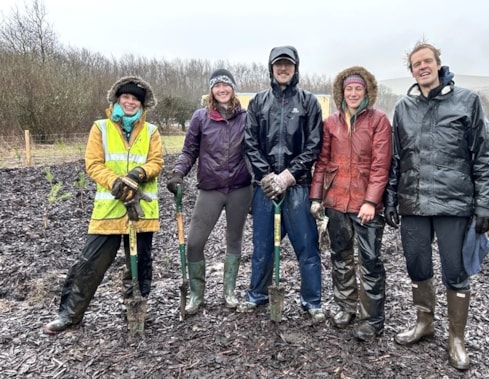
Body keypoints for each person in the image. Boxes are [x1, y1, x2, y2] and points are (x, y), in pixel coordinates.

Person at [385, 41, 489, 370]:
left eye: (427, 61)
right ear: (411, 70)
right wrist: (392, 197)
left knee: (455, 270)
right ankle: (425, 322)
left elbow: (484, 155)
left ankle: (457, 338)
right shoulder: (403, 107)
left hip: (454, 203)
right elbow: (395, 158)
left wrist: (484, 203)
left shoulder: (467, 102)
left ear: (438, 64)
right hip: (413, 203)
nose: (422, 67)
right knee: (417, 265)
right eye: (416, 63)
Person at [44, 76, 163, 334]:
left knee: (139, 263)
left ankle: (135, 307)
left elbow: (156, 162)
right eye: (126, 97)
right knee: (90, 262)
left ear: (142, 105)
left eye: (135, 99)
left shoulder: (151, 131)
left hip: (141, 210)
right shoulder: (100, 128)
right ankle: (70, 315)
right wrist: (117, 183)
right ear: (117, 100)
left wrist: (138, 175)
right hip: (109, 208)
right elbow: (94, 164)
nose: (130, 102)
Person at [238, 45, 325, 322]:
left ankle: (312, 300)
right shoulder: (258, 102)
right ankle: (257, 294)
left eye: (288, 64)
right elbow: (250, 142)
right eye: (278, 65)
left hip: (297, 187)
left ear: (296, 68)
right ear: (271, 68)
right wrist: (265, 176)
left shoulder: (309, 102)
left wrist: (289, 175)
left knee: (307, 247)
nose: (283, 69)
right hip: (265, 189)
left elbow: (314, 145)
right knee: (262, 247)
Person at [309, 66, 392, 341]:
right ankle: (346, 307)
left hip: (366, 205)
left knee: (370, 261)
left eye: (358, 88)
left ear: (366, 91)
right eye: (349, 89)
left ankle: (372, 320)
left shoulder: (378, 121)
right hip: (336, 202)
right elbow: (322, 162)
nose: (353, 93)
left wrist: (371, 201)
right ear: (341, 93)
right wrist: (317, 197)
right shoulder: (330, 122)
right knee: (340, 257)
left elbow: (381, 166)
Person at [166, 68, 252, 313]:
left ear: (233, 89)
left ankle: (229, 291)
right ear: (211, 90)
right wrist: (178, 173)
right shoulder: (200, 117)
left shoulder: (246, 118)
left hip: (239, 188)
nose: (222, 89)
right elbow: (189, 151)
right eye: (217, 85)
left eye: (226, 85)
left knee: (234, 241)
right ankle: (196, 294)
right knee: (194, 242)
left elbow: (254, 152)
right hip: (210, 189)